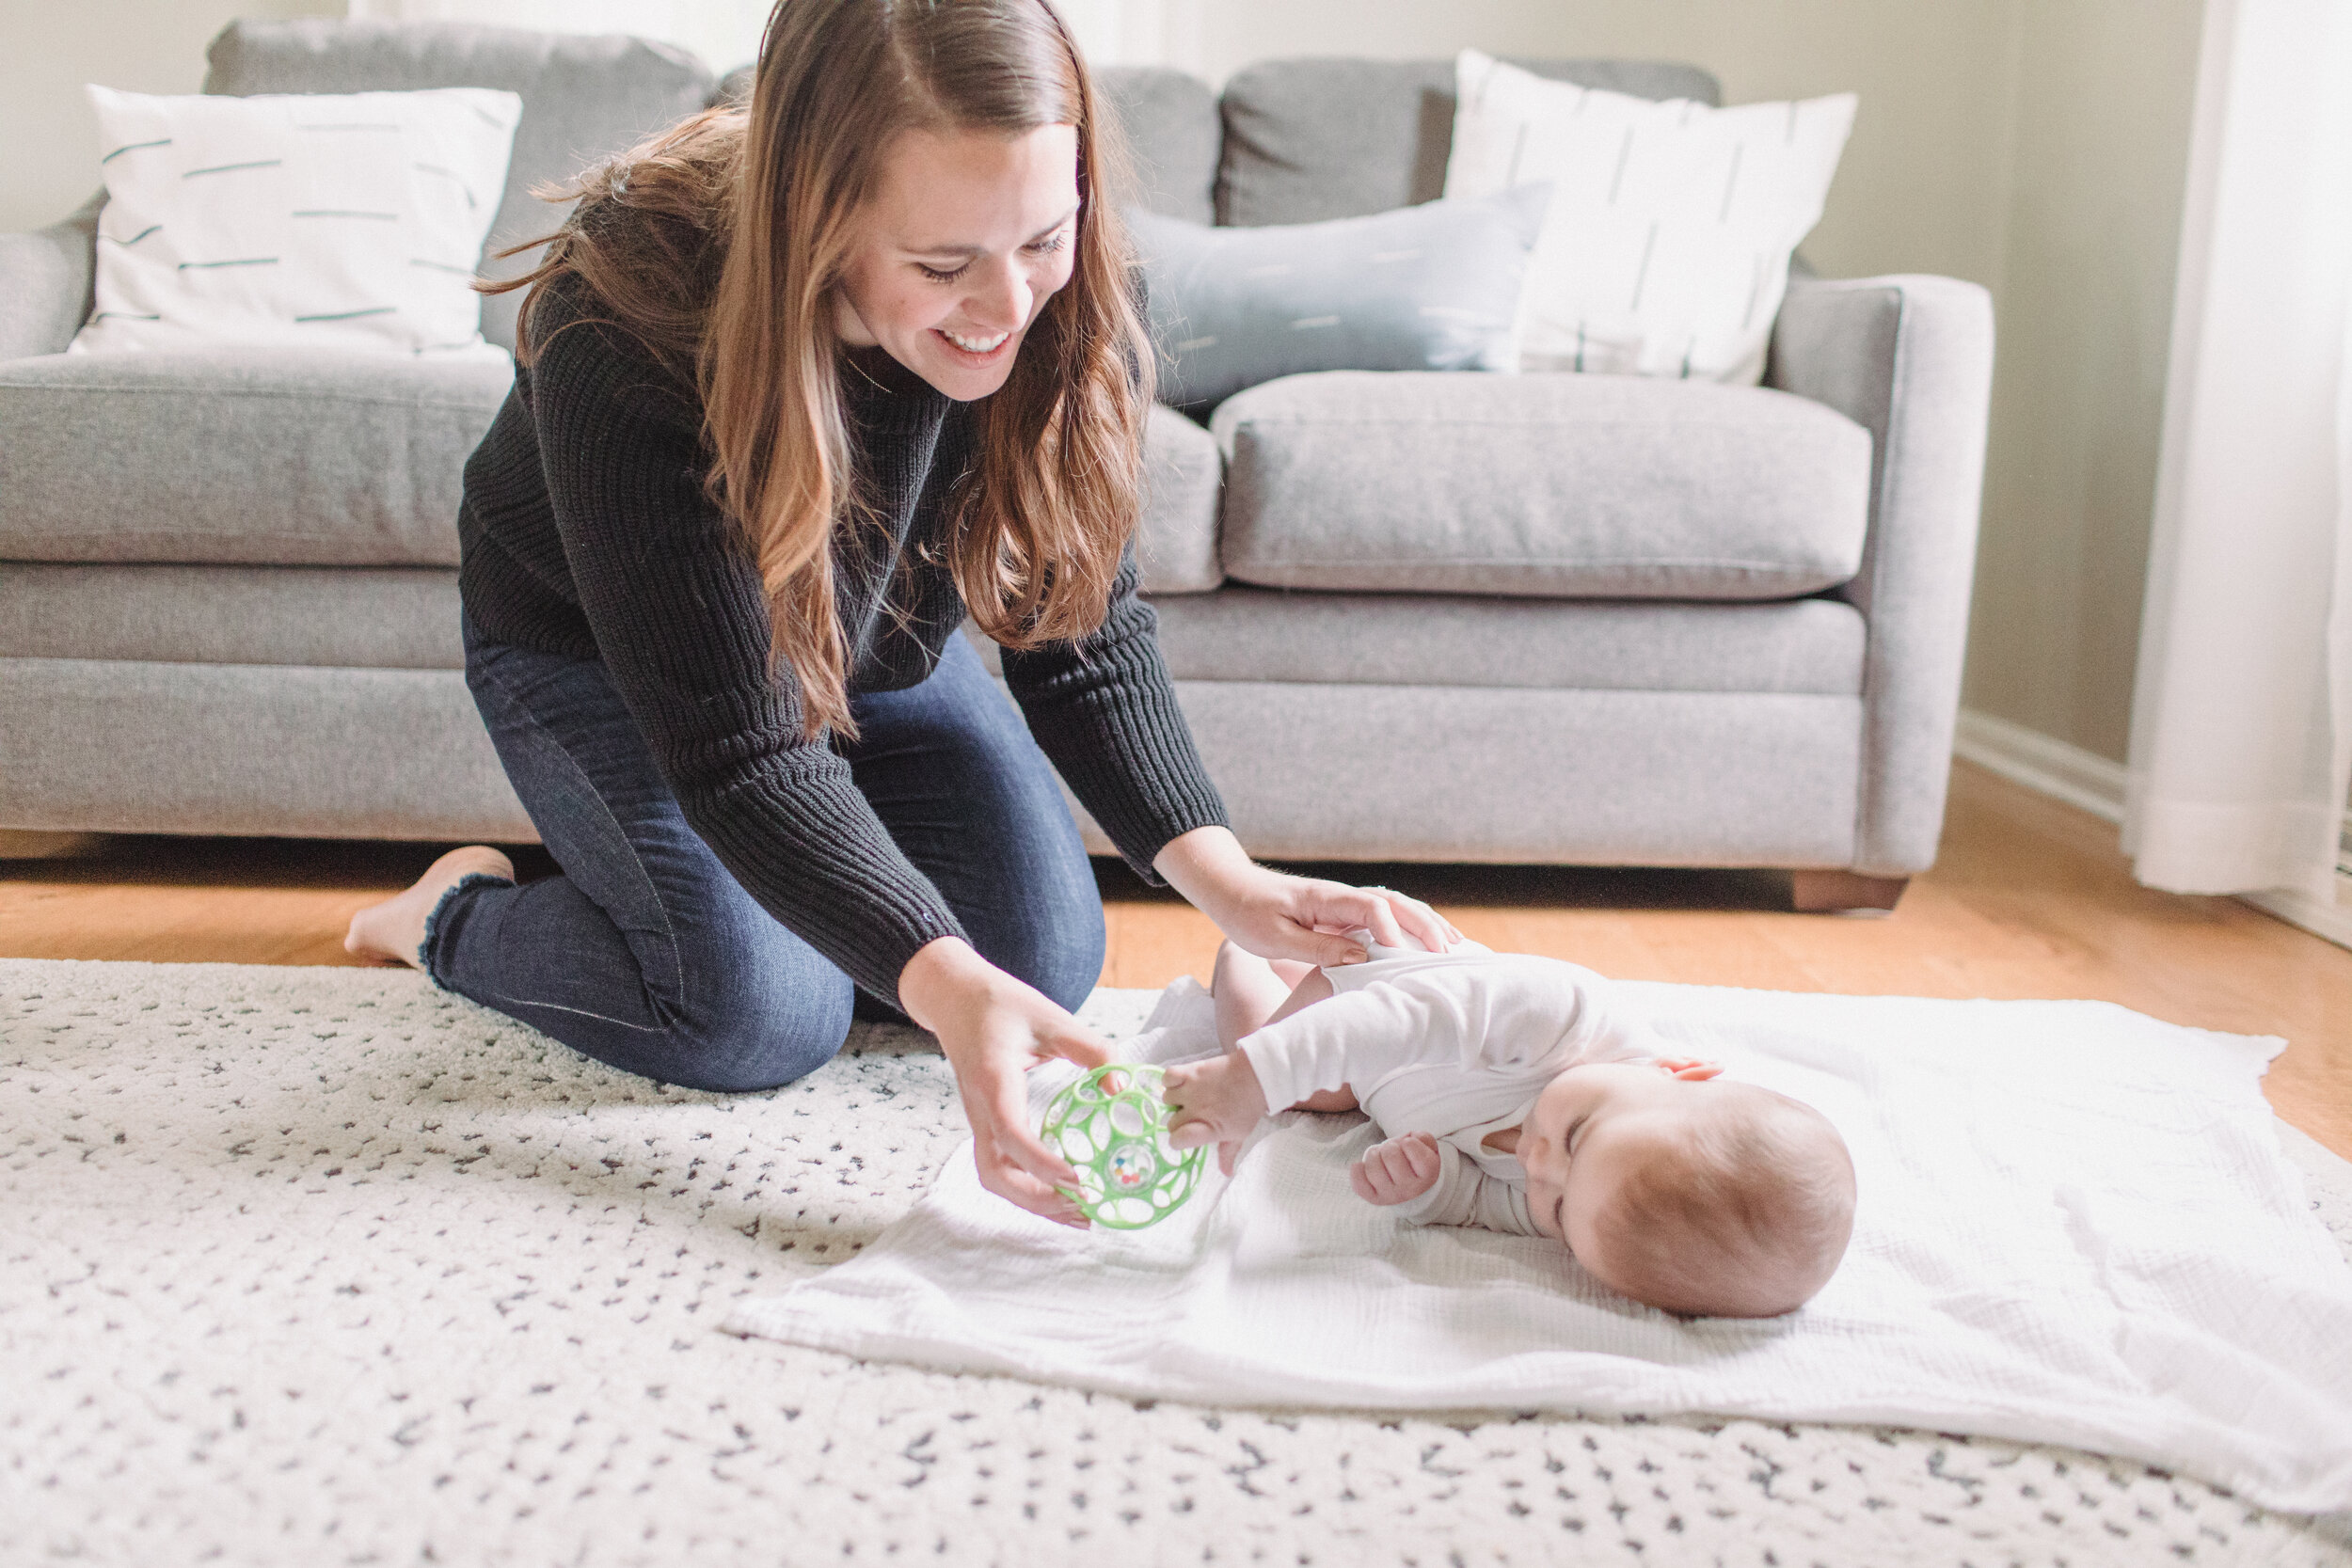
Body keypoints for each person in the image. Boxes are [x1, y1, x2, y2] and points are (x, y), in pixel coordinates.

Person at [342, 0, 1450, 1227]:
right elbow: (742, 748)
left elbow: (1081, 625)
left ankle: (705, 896)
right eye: (940, 265)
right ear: (815, 218)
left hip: (869, 649)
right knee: (760, 1011)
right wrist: (926, 968)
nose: (1006, 306)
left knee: (1032, 957)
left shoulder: (1052, 294)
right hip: (610, 664)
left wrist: (1226, 878)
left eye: (1044, 237)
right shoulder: (626, 310)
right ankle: (449, 916)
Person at [1161, 939, 1857, 1317]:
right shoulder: (1566, 1014)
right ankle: (1244, 955)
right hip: (1379, 982)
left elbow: (1482, 1203)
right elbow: (1408, 1019)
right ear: (1682, 1070)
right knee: (1285, 1079)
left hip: (1381, 1082)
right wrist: (1253, 1075)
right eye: (1578, 1136)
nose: (1537, 1164)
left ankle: (1270, 973)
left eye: (1553, 1207)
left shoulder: (1589, 1206)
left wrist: (1429, 1187)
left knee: (1330, 1095)